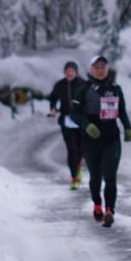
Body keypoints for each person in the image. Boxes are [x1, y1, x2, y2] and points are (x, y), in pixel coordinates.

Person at [70, 55, 131, 228]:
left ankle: (109, 211)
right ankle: (97, 204)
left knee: (110, 177)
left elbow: (122, 110)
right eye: (96, 67)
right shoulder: (83, 89)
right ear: (91, 69)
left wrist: (127, 127)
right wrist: (87, 124)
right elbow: (73, 113)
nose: (100, 70)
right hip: (91, 139)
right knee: (96, 178)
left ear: (107, 68)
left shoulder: (115, 88)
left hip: (111, 137)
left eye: (103, 67)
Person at [48, 61, 84, 189]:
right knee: (71, 149)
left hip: (81, 121)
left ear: (76, 72)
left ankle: (78, 167)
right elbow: (53, 97)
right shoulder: (60, 85)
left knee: (81, 149)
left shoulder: (83, 84)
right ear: (65, 72)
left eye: (72, 71)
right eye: (67, 71)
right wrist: (53, 108)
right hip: (66, 120)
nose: (69, 73)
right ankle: (74, 177)